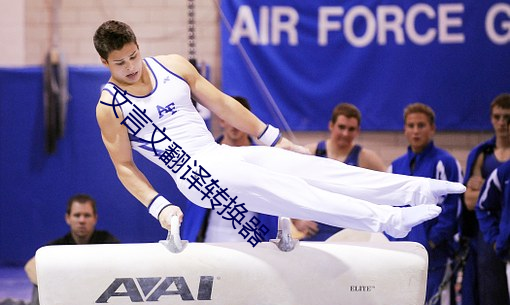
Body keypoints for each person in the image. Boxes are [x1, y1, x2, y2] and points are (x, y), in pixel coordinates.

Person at [93, 20, 464, 250]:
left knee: (315, 169)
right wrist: (159, 206)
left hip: (221, 154)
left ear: (139, 46)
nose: (130, 68)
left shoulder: (172, 65)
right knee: (296, 194)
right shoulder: (110, 107)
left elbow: (223, 103)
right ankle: (386, 220)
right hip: (198, 176)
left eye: (133, 56)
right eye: (119, 63)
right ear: (105, 63)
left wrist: (272, 138)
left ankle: (412, 189)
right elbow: (124, 167)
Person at [181, 96, 278, 305]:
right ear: (221, 120)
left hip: (253, 239)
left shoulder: (262, 159)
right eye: (229, 119)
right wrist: (187, 239)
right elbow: (192, 199)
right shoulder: (205, 154)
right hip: (214, 237)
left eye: (239, 120)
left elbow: (274, 200)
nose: (235, 126)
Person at [296, 102, 386, 305]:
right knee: (310, 302)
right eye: (342, 127)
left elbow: (389, 192)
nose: (346, 134)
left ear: (357, 131)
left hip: (351, 239)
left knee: (354, 300)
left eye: (351, 129)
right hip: (317, 235)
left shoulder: (366, 158)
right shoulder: (311, 152)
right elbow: (285, 189)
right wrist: (297, 220)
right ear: (331, 126)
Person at [387, 103, 462, 305]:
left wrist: (432, 241)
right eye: (411, 126)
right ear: (405, 130)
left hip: (436, 257)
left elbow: (452, 209)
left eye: (421, 125)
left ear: (432, 129)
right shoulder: (395, 167)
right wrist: (395, 243)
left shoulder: (445, 163)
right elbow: (388, 209)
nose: (416, 131)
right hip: (405, 259)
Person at [19, 194, 120, 305]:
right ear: (68, 218)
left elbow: (118, 270)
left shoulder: (108, 242)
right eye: (77, 215)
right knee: (42, 270)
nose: (82, 220)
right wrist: (60, 283)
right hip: (65, 298)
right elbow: (30, 266)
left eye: (87, 215)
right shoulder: (57, 246)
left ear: (95, 218)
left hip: (96, 301)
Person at [460, 93, 510, 305]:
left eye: (507, 118)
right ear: (491, 119)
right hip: (489, 238)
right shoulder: (482, 154)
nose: (502, 123)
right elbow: (469, 202)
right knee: (493, 304)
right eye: (497, 117)